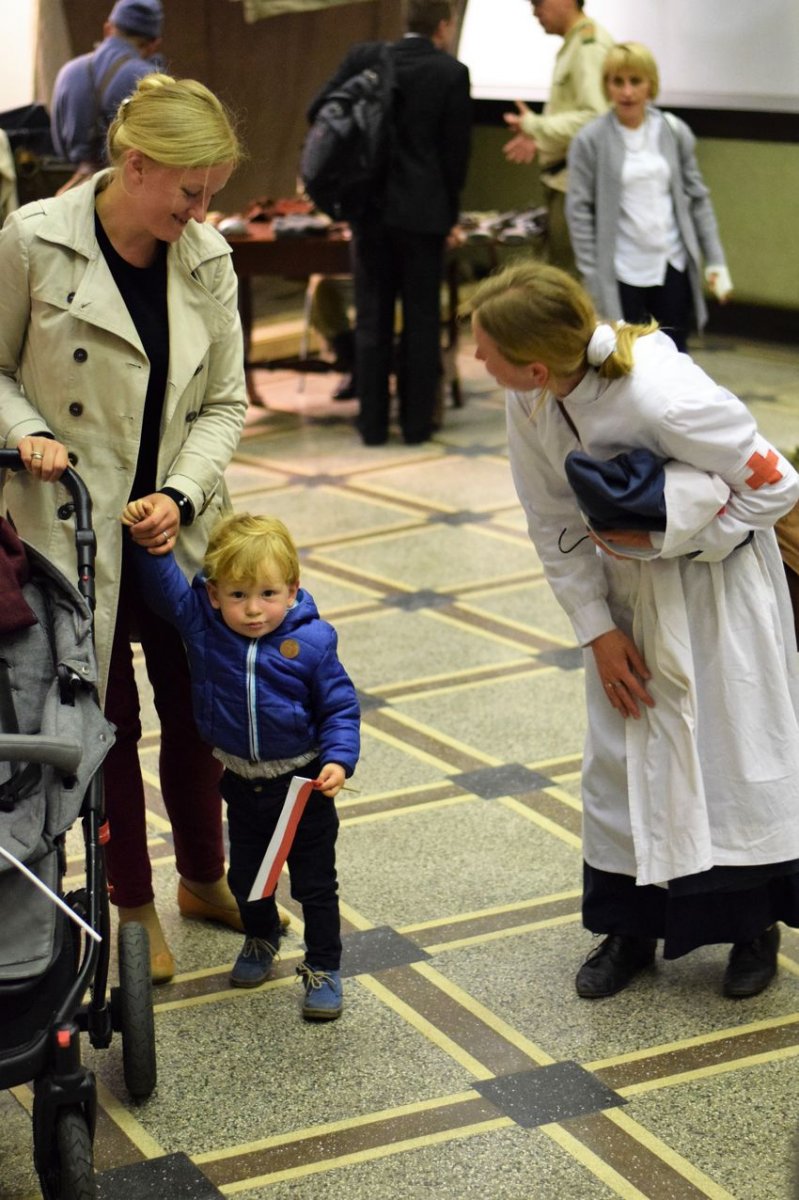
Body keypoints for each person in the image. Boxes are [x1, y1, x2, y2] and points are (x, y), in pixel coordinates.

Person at [468, 259, 799, 1001]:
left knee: (726, 752)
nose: (475, 358)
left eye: (484, 350)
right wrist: (596, 629)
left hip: (715, 595)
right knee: (621, 758)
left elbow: (776, 482)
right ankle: (629, 928)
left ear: (533, 362)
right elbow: (550, 518)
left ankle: (753, 927)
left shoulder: (663, 396)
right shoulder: (531, 399)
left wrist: (688, 539)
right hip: (623, 597)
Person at [0, 73, 249, 984]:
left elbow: (225, 402)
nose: (201, 210)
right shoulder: (34, 239)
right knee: (104, 724)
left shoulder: (207, 257)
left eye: (211, 192)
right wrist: (25, 430)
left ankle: (204, 875)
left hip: (174, 532)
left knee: (201, 712)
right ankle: (131, 901)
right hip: (70, 532)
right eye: (189, 190)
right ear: (135, 165)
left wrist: (180, 493)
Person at [119, 508, 360, 1020]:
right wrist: (154, 550)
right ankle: (261, 935)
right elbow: (167, 595)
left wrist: (340, 760)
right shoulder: (205, 628)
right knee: (249, 877)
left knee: (315, 884)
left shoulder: (313, 642)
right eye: (237, 595)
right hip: (241, 783)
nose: (253, 610)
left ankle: (323, 966)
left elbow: (340, 707)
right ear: (213, 594)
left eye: (268, 594)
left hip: (302, 786)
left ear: (292, 590)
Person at [307, 0, 472, 446]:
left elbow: (319, 110)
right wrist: (449, 215)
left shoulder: (368, 60)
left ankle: (373, 425)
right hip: (425, 216)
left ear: (406, 21)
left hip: (369, 212)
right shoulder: (451, 73)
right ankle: (416, 426)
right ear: (444, 26)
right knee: (421, 321)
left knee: (372, 319)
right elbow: (455, 156)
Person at [566, 43, 732, 353]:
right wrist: (593, 276)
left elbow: (698, 198)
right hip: (622, 270)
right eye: (617, 81)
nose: (627, 92)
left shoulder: (673, 130)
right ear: (606, 85)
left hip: (671, 264)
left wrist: (716, 260)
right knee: (628, 358)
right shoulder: (590, 140)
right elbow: (579, 212)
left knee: (675, 354)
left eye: (635, 81)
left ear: (650, 85)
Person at [502, 0, 613, 274]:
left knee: (569, 282)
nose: (534, 11)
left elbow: (596, 119)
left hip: (577, 186)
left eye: (538, 2)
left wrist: (535, 125)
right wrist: (538, 137)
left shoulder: (589, 46)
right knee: (562, 276)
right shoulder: (575, 43)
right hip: (565, 182)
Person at [50, 0, 164, 195]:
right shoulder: (150, 79)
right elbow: (163, 147)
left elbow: (59, 147)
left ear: (108, 29)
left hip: (77, 192)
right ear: (154, 44)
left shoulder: (68, 72)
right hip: (129, 194)